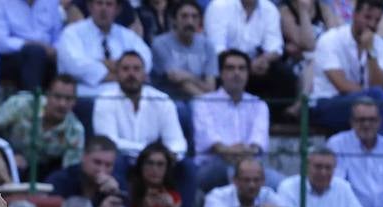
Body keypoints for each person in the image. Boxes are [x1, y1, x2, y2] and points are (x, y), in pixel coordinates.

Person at [307, 0, 383, 143]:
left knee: (378, 116)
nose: (372, 24)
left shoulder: (380, 47)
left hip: (363, 105)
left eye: (377, 20)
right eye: (367, 18)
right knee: (375, 99)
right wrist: (370, 96)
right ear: (355, 14)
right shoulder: (330, 40)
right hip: (326, 104)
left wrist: (370, 52)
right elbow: (342, 85)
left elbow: (377, 84)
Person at [92, 49, 188, 166]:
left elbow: (177, 141)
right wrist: (151, 152)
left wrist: (168, 154)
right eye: (125, 69)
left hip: (156, 163)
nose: (131, 74)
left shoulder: (161, 100)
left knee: (186, 166)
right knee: (116, 162)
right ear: (117, 74)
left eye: (136, 69)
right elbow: (109, 142)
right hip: (123, 160)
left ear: (145, 75)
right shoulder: (105, 99)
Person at [192, 49, 269, 191]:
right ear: (220, 73)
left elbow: (257, 144)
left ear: (248, 73)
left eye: (242, 68)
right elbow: (213, 144)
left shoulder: (259, 104)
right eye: (230, 68)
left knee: (279, 183)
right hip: (213, 166)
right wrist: (230, 152)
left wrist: (242, 154)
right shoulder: (203, 102)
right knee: (229, 172)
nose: (237, 73)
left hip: (250, 166)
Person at [203, 0, 299, 104]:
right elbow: (216, 48)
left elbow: (275, 47)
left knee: (285, 76)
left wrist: (264, 59)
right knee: (223, 69)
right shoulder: (219, 6)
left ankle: (271, 116)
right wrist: (246, 64)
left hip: (258, 64)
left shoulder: (269, 9)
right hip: (225, 63)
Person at [327, 97, 383, 207]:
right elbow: (337, 186)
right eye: (361, 120)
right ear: (352, 122)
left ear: (379, 122)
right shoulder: (337, 144)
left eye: (372, 120)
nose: (366, 124)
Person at [56, 0, 152, 102]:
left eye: (109, 4)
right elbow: (74, 66)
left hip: (125, 96)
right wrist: (122, 73)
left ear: (117, 10)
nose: (104, 9)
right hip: (86, 98)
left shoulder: (128, 35)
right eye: (99, 3)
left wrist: (101, 63)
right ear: (90, 6)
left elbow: (145, 61)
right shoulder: (72, 33)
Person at [0, 74, 85, 178]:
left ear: (75, 101)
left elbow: (68, 172)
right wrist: (8, 155)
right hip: (5, 157)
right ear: (47, 95)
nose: (62, 104)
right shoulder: (22, 104)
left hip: (41, 174)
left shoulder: (75, 131)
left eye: (68, 99)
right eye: (57, 97)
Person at [150, 0, 217, 139]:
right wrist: (207, 102)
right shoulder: (160, 43)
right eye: (184, 16)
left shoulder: (208, 45)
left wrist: (188, 76)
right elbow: (177, 80)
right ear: (174, 20)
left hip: (198, 96)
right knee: (187, 110)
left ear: (200, 21)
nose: (190, 21)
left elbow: (211, 86)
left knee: (197, 107)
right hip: (168, 96)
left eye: (194, 17)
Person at [0, 0, 60, 91]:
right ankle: (31, 101)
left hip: (49, 54)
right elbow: (0, 42)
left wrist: (55, 49)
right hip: (12, 55)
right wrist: (31, 45)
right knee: (35, 53)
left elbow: (58, 35)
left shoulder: (52, 2)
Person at [46, 134, 127, 207]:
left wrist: (116, 193)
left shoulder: (117, 184)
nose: (102, 170)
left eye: (108, 165)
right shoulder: (61, 180)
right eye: (97, 162)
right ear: (83, 157)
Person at [276, 147, 368, 207]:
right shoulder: (289, 187)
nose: (323, 172)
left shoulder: (343, 187)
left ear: (334, 169)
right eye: (318, 167)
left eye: (328, 168)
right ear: (307, 167)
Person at [203, 153, 289, 207]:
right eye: (246, 180)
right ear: (235, 181)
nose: (252, 185)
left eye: (256, 180)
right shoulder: (217, 195)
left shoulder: (267, 194)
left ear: (263, 181)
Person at [126, 141, 181, 207]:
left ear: (167, 169)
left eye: (160, 164)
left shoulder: (174, 197)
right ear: (141, 166)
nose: (154, 169)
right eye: (150, 163)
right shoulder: (129, 193)